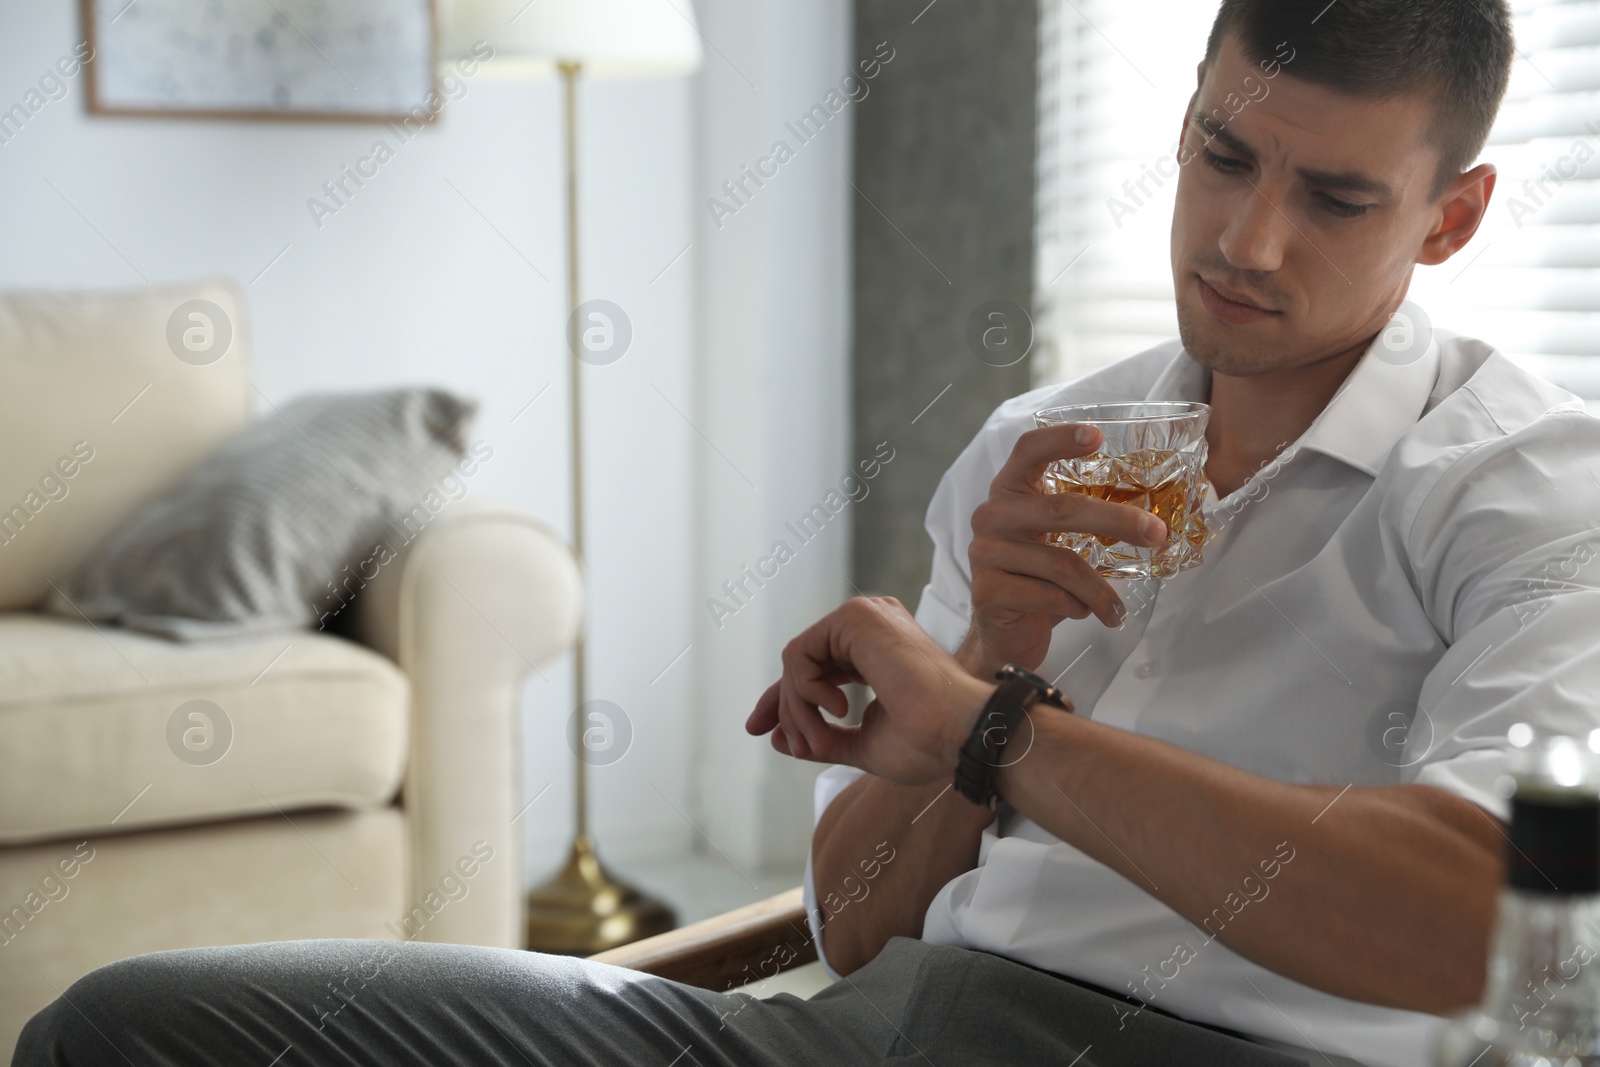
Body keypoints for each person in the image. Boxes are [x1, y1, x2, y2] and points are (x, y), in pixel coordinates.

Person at [18, 1, 1596, 1065]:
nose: (1245, 241)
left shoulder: (1526, 490)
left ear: (1448, 217)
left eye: (1333, 199)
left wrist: (992, 729)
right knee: (133, 1028)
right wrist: (995, 648)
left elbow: (1486, 926)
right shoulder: (1037, 449)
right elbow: (850, 928)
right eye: (1222, 156)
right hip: (867, 1032)